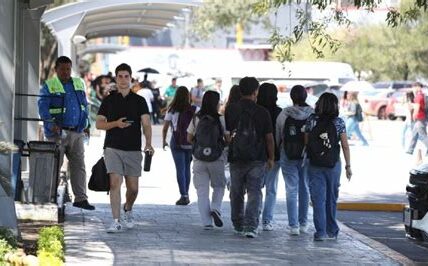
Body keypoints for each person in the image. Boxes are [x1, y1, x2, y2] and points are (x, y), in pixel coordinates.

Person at [96, 63, 154, 233]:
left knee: (133, 188)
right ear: (116, 78)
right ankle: (115, 220)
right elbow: (99, 124)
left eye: (126, 76)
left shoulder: (140, 100)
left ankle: (127, 208)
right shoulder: (108, 100)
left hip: (134, 149)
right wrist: (116, 124)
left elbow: (146, 124)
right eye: (120, 76)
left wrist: (148, 143)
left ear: (131, 78)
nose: (123, 80)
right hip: (112, 148)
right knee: (115, 183)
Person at [38, 56, 94, 210]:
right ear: (56, 70)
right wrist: (51, 124)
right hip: (57, 133)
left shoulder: (77, 83)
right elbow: (43, 109)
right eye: (62, 69)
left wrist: (87, 125)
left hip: (76, 132)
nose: (65, 72)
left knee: (79, 166)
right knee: (54, 166)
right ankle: (49, 197)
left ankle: (81, 199)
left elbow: (84, 106)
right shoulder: (49, 86)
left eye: (68, 69)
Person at [225, 77, 275, 238]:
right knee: (254, 192)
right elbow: (269, 138)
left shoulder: (231, 109)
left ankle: (238, 224)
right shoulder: (262, 112)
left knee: (236, 192)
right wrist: (271, 157)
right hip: (257, 158)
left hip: (236, 157)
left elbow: (228, 134)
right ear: (255, 92)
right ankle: (251, 226)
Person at [304, 92, 351, 241]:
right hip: (333, 164)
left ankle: (320, 232)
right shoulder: (339, 122)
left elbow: (306, 142)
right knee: (331, 199)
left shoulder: (311, 120)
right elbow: (345, 145)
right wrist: (348, 166)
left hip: (315, 164)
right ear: (334, 106)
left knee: (318, 199)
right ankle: (332, 230)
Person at [187, 91, 229, 230]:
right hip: (216, 158)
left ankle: (206, 222)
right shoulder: (220, 119)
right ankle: (216, 208)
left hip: (199, 158)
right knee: (218, 186)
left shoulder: (196, 118)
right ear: (216, 103)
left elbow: (189, 138)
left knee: (202, 190)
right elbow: (227, 139)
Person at [276, 85, 314, 235]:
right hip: (306, 155)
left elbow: (278, 134)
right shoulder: (312, 113)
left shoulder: (284, 113)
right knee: (304, 187)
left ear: (292, 97)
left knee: (291, 189)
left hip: (288, 153)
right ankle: (303, 223)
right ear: (306, 97)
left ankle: (293, 226)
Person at [162, 86, 195, 205]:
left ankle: (183, 195)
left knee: (180, 169)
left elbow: (165, 127)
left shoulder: (172, 109)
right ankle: (187, 193)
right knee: (187, 168)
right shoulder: (193, 109)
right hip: (190, 141)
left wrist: (163, 141)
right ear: (188, 96)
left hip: (176, 141)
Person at [256, 83, 282, 231]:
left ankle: (255, 214)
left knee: (256, 187)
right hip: (275, 155)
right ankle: (267, 220)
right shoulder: (279, 112)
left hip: (257, 154)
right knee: (271, 189)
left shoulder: (256, 110)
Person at [407, 82, 428, 155]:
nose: (413, 88)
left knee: (422, 135)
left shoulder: (419, 96)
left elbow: (417, 107)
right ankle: (410, 150)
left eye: (414, 87)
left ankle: (410, 149)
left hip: (420, 118)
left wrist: (414, 115)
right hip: (421, 118)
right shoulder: (422, 95)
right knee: (414, 134)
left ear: (418, 87)